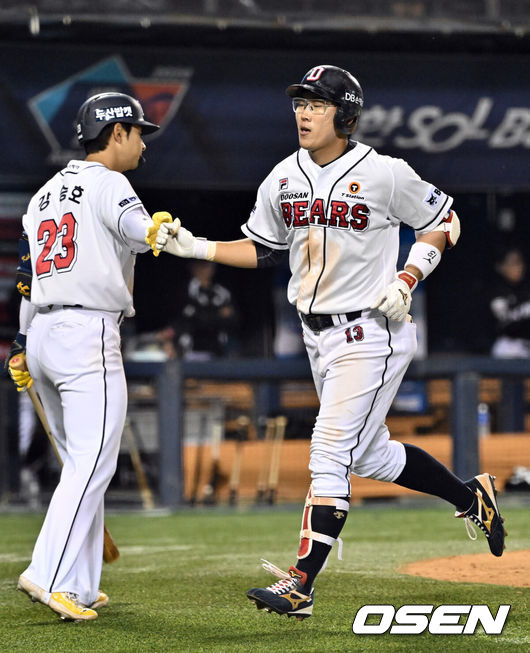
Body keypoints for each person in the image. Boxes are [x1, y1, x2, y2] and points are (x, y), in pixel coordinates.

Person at [155, 65, 506, 620]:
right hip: (316, 335)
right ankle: (471, 498)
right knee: (368, 455)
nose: (304, 112)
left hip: (373, 327)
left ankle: (300, 585)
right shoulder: (282, 176)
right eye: (300, 102)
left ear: (345, 114)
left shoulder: (385, 173)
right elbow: (263, 247)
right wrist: (196, 249)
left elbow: (445, 221)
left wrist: (406, 277)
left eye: (317, 104)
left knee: (328, 449)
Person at [6, 92, 166, 621]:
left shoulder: (44, 195)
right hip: (86, 332)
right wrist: (156, 231)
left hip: (47, 332)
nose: (142, 142)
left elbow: (27, 280)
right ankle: (47, 573)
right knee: (94, 461)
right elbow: (138, 234)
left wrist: (23, 343)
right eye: (138, 132)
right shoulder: (110, 182)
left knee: (82, 461)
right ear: (116, 133)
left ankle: (77, 583)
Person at [157, 259, 238, 360]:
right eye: (200, 266)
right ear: (192, 267)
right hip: (189, 351)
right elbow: (188, 320)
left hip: (217, 350)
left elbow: (234, 320)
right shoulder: (184, 291)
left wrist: (203, 315)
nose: (204, 270)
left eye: (207, 266)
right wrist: (217, 314)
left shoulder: (222, 293)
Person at [490, 246, 530, 358]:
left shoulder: (526, 288)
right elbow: (505, 320)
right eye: (513, 263)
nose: (519, 267)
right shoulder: (496, 291)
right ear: (500, 267)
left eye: (520, 263)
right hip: (509, 346)